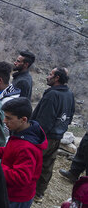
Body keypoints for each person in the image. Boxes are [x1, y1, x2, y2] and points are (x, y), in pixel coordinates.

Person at [33, 67, 75, 200]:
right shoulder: (69, 94)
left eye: (50, 74)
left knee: (33, 162)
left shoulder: (52, 95)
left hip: (45, 137)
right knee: (47, 165)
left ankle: (28, 190)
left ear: (57, 78)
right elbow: (70, 115)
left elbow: (44, 121)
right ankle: (39, 193)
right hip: (57, 136)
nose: (47, 76)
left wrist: (36, 136)